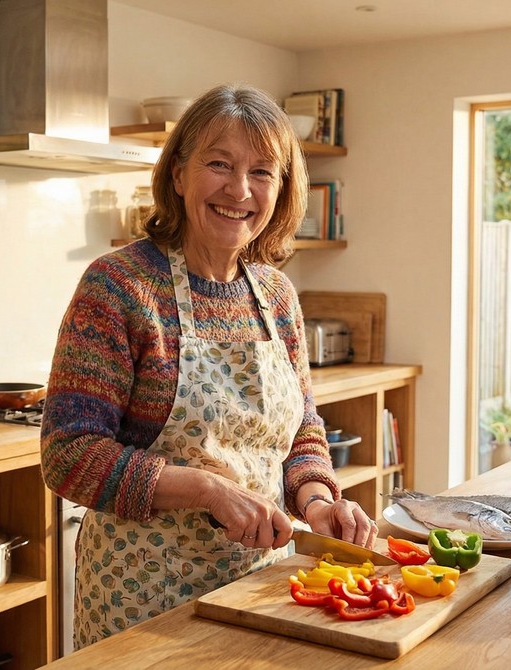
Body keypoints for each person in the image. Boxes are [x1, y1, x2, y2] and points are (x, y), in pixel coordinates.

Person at [40, 83, 378, 650]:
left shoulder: (275, 294)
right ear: (178, 174)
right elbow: (66, 453)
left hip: (260, 589)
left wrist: (318, 502)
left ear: (282, 187)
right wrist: (206, 490)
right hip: (142, 599)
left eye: (262, 172)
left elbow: (302, 430)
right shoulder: (119, 286)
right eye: (218, 164)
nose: (239, 189)